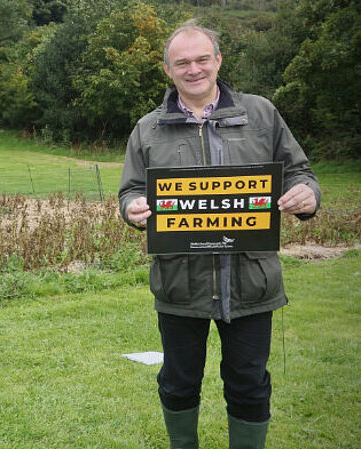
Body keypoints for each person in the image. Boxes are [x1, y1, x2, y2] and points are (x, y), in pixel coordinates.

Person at [118, 20, 320, 449]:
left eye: (202, 59)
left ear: (218, 61)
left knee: (248, 383)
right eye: (182, 62)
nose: (194, 69)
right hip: (179, 283)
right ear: (168, 70)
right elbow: (132, 190)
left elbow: (301, 172)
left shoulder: (261, 113)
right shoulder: (148, 129)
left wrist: (308, 195)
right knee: (177, 382)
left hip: (252, 281)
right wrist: (132, 209)